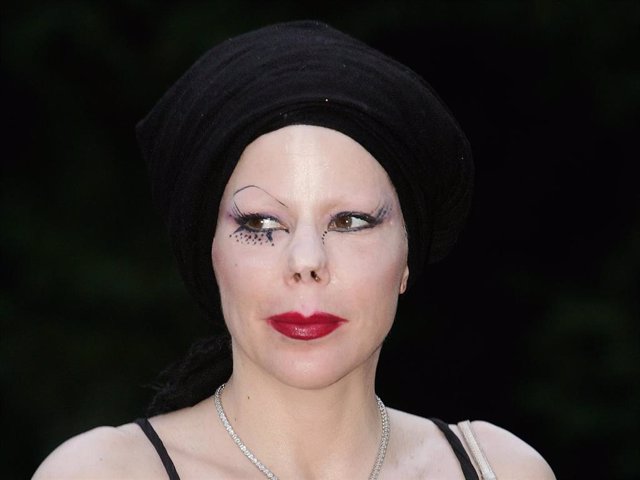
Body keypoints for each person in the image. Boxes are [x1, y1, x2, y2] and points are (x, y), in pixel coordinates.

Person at [33, 21, 555, 479]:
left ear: (407, 257)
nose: (306, 261)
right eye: (262, 223)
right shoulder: (103, 473)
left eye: (349, 222)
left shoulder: (501, 470)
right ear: (209, 252)